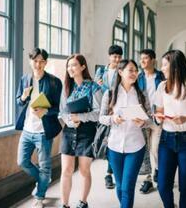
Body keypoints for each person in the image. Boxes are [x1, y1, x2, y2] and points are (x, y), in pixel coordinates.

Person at [99, 59, 152, 208]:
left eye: (136, 71)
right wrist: (113, 118)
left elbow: (150, 118)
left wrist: (143, 122)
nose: (134, 73)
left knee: (128, 187)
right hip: (114, 146)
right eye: (131, 70)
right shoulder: (110, 94)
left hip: (136, 146)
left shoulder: (141, 95)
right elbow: (102, 118)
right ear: (120, 72)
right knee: (120, 186)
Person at [15, 48, 62, 208]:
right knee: (22, 161)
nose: (38, 64)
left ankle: (40, 196)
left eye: (42, 61)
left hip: (44, 131)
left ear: (46, 63)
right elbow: (19, 101)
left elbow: (60, 108)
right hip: (27, 130)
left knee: (45, 166)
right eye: (35, 60)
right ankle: (44, 179)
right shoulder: (25, 79)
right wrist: (23, 97)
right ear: (30, 61)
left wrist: (46, 111)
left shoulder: (54, 82)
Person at [154, 50, 186, 208]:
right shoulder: (161, 86)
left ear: (175, 66)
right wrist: (158, 117)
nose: (162, 68)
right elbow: (159, 110)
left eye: (165, 65)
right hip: (166, 139)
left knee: (185, 187)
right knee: (163, 185)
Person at [59, 54, 102, 208]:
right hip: (69, 131)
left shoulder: (94, 87)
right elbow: (62, 112)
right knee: (66, 170)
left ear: (83, 67)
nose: (70, 68)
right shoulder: (66, 88)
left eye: (74, 65)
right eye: (68, 66)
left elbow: (98, 113)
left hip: (87, 132)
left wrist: (80, 117)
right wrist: (71, 121)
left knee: (84, 170)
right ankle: (65, 204)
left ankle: (83, 202)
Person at [94, 44, 123, 189]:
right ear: (109, 56)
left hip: (117, 112)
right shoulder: (101, 71)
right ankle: (109, 172)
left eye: (119, 56)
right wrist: (98, 85)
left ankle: (109, 173)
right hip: (103, 111)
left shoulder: (122, 72)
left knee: (113, 143)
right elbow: (95, 91)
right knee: (106, 142)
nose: (117, 59)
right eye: (114, 56)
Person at [138, 49, 164, 194]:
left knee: (155, 149)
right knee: (145, 151)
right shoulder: (138, 77)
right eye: (141, 58)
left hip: (158, 119)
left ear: (153, 60)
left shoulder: (161, 76)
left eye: (146, 58)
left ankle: (159, 172)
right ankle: (147, 180)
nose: (142, 61)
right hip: (143, 118)